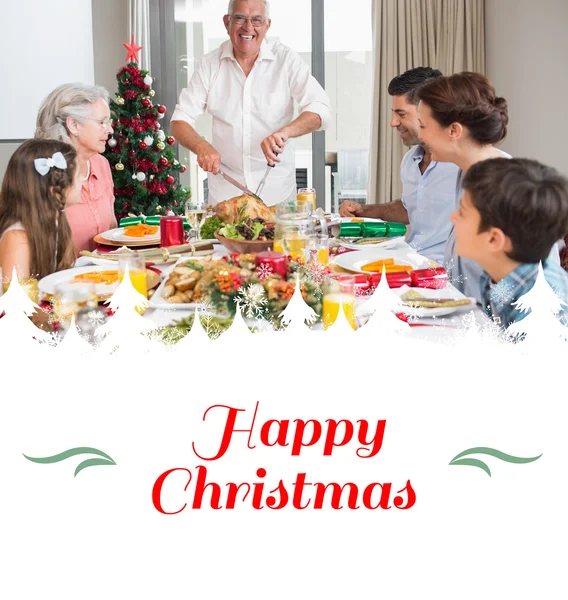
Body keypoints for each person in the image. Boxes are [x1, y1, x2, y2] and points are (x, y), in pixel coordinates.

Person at [170, 0, 332, 206]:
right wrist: (201, 146)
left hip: (278, 195)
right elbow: (179, 120)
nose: (248, 27)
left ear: (267, 25)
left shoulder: (286, 60)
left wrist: (286, 132)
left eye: (257, 20)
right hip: (225, 197)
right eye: (240, 18)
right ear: (227, 22)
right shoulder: (210, 64)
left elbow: (321, 110)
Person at [340, 67, 459, 264]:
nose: (393, 122)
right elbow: (410, 209)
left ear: (426, 111)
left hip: (445, 271)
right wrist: (363, 211)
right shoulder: (411, 160)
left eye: (401, 114)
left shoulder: (466, 165)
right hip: (410, 258)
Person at [452, 157, 568, 327]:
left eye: (462, 212)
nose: (452, 217)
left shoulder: (539, 310)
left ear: (493, 239)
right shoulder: (498, 274)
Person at [35, 83, 117, 252]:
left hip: (103, 274)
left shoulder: (101, 164)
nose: (110, 130)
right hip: (58, 276)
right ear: (73, 125)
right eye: (102, 122)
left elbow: (111, 228)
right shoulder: (45, 171)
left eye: (109, 122)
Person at [0, 139, 81, 284]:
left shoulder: (56, 219)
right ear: (53, 190)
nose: (82, 180)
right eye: (78, 175)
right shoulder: (18, 239)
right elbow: (17, 304)